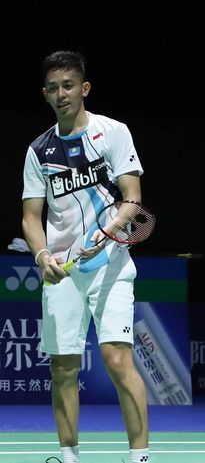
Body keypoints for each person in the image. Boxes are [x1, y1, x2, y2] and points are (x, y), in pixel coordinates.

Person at [22, 50, 150, 463]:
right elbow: (30, 217)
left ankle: (140, 457)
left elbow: (133, 200)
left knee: (116, 358)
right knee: (63, 368)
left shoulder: (112, 132)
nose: (62, 94)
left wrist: (107, 233)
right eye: (54, 88)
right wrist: (43, 256)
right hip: (62, 270)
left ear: (84, 89)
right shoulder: (39, 152)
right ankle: (69, 455)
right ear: (45, 93)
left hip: (109, 265)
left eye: (69, 85)